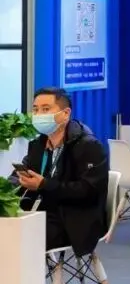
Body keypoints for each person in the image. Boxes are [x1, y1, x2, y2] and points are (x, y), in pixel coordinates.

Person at [12, 87, 108, 255]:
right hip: (42, 212)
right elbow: (22, 172)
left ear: (65, 113)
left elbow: (88, 191)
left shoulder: (88, 146)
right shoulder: (38, 144)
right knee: (8, 228)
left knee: (17, 238)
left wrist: (44, 184)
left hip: (74, 219)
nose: (39, 115)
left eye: (46, 109)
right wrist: (12, 185)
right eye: (35, 110)